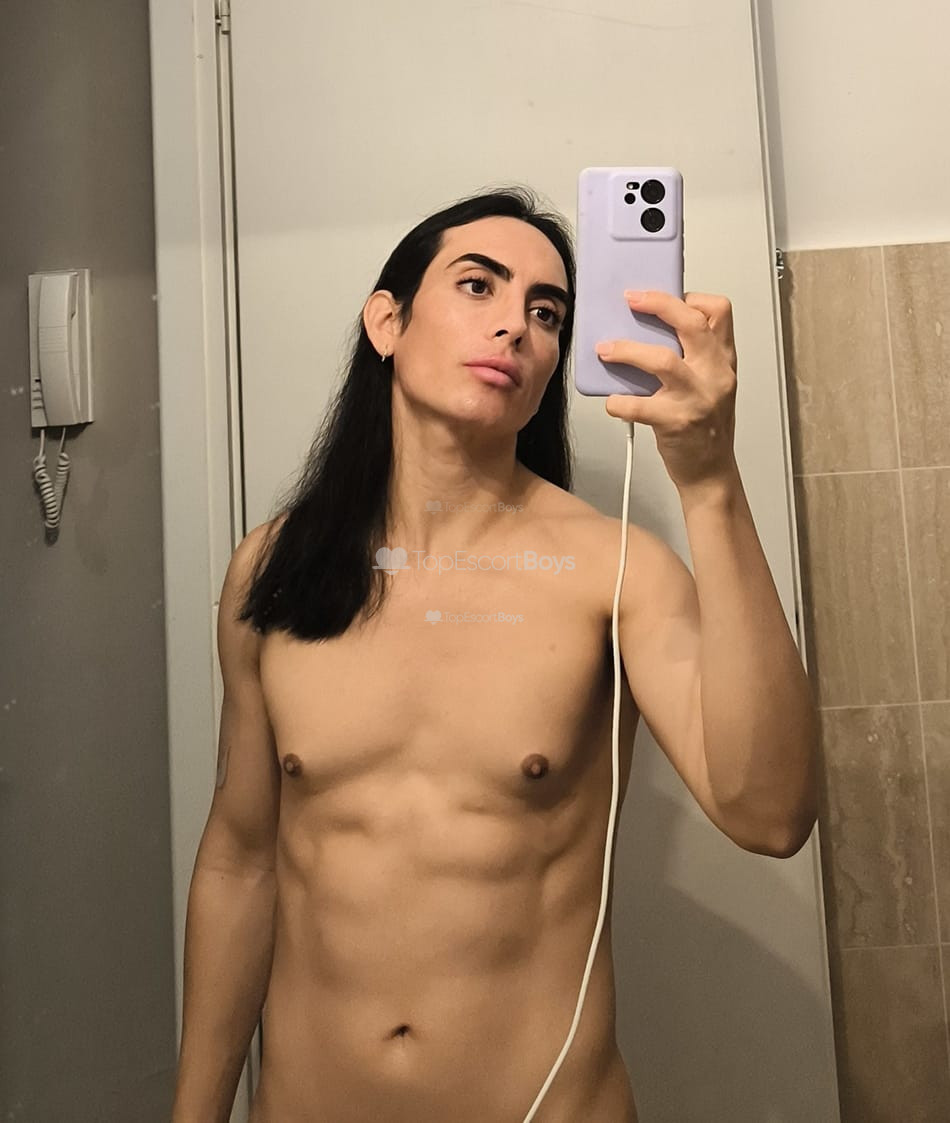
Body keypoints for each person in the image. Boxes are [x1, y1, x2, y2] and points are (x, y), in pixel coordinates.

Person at [169, 187, 819, 1123]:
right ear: (387, 321)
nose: (516, 324)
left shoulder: (614, 570)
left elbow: (772, 812)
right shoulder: (274, 568)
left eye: (547, 312)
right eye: (479, 285)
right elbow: (240, 863)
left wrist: (710, 480)